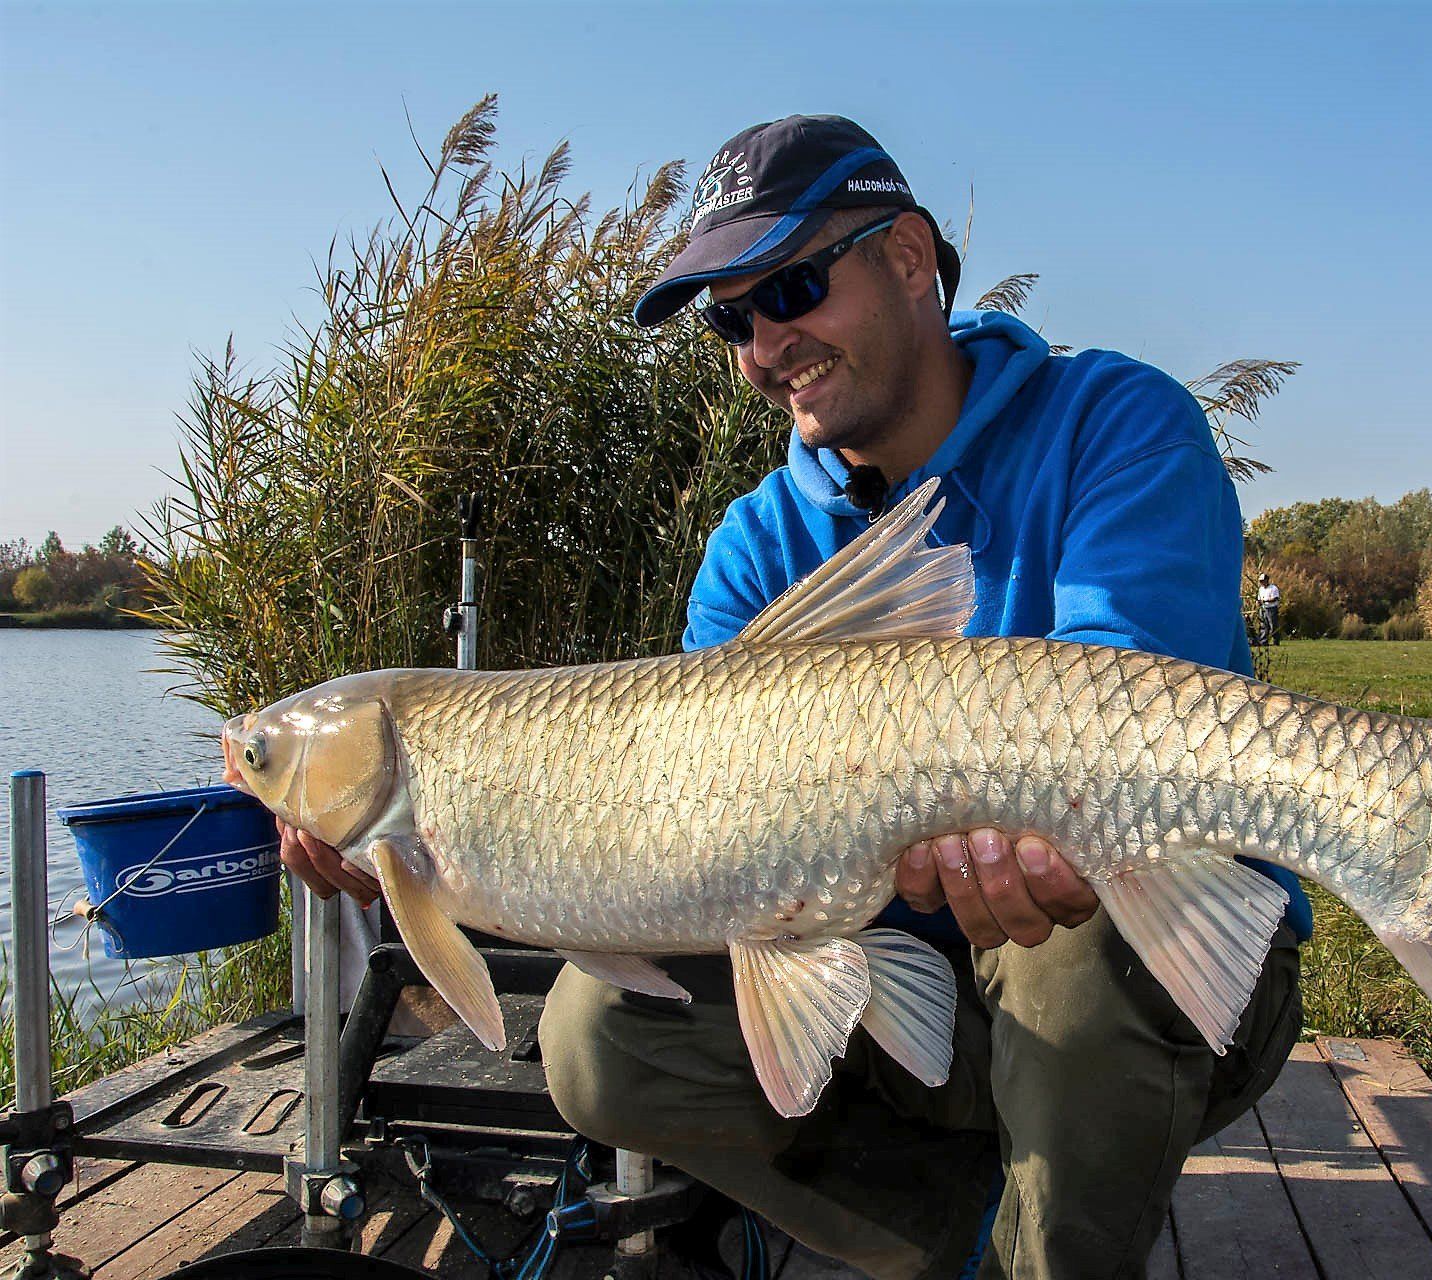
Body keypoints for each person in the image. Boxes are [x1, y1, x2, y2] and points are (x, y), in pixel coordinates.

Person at [281, 114, 1314, 1280]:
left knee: (1074, 946)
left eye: (795, 286)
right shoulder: (754, 547)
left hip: (1138, 971)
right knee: (592, 1040)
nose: (767, 344)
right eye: (733, 317)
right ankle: (981, 1237)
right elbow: (695, 864)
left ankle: (1052, 1241)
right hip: (888, 970)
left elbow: (1134, 721)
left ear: (911, 258)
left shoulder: (1114, 423)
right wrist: (446, 864)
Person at [1256, 571, 1282, 645]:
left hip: (1271, 609)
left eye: (1263, 581)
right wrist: (1258, 603)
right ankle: (1264, 641)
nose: (1261, 583)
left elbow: (1275, 598)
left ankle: (1276, 641)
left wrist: (1265, 601)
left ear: (1267, 580)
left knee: (1273, 625)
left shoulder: (1273, 588)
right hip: (1263, 609)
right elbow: (1259, 598)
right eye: (1260, 581)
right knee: (1264, 625)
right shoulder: (1261, 589)